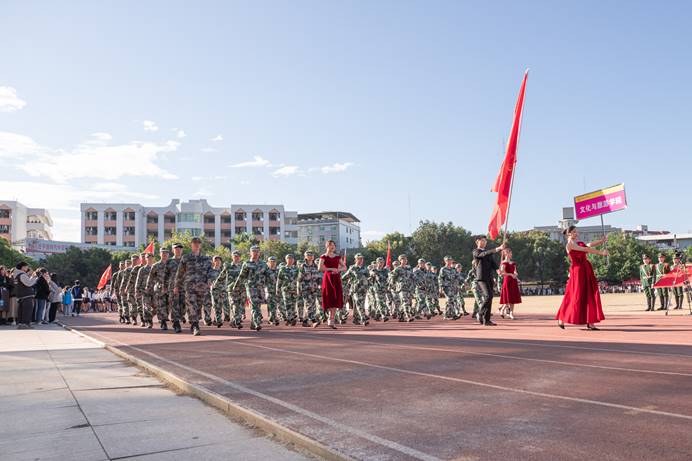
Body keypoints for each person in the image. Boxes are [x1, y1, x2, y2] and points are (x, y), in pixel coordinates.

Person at [555, 226, 608, 330]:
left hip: (586, 270)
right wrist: (601, 253)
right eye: (574, 232)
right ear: (569, 234)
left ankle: (590, 321)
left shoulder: (578, 243)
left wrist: (601, 241)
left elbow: (589, 245)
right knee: (575, 296)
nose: (576, 233)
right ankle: (561, 317)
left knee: (589, 295)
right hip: (577, 272)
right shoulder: (569, 245)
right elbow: (585, 249)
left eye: (576, 232)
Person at [174, 237, 212, 336]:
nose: (196, 245)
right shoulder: (186, 258)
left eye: (198, 243)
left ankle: (194, 323)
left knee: (198, 306)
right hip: (189, 286)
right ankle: (195, 325)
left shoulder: (206, 259)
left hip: (202, 287)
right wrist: (176, 286)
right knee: (191, 305)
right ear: (191, 245)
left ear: (200, 245)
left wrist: (210, 279)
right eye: (194, 243)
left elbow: (210, 271)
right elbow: (180, 273)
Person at [232, 245, 270, 331]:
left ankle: (253, 324)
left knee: (258, 305)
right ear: (250, 253)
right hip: (251, 287)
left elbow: (269, 275)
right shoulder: (247, 264)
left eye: (257, 251)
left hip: (260, 288)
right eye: (253, 251)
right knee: (254, 304)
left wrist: (272, 285)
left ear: (259, 253)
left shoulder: (263, 264)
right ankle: (257, 323)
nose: (255, 253)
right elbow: (241, 276)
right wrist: (235, 287)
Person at [472, 236, 505, 326]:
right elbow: (483, 254)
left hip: (489, 277)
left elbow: (493, 263)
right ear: (477, 242)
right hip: (481, 278)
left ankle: (486, 320)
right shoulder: (476, 251)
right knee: (488, 296)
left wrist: (498, 270)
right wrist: (497, 249)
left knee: (490, 297)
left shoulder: (488, 253)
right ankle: (480, 313)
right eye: (482, 240)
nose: (484, 242)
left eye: (485, 241)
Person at [318, 240, 345, 329]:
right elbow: (320, 268)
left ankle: (331, 319)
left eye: (333, 245)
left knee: (335, 298)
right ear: (327, 246)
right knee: (328, 297)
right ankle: (327, 315)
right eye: (330, 245)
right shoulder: (323, 257)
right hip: (328, 279)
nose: (332, 247)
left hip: (336, 278)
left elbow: (345, 267)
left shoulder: (338, 257)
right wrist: (331, 268)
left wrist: (338, 270)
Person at [343, 253, 371, 325]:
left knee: (358, 304)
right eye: (359, 258)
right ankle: (363, 319)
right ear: (355, 259)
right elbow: (344, 277)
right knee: (359, 304)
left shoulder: (365, 268)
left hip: (363, 289)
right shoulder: (352, 268)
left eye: (361, 258)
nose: (360, 260)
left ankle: (355, 319)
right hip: (355, 289)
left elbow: (369, 277)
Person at [499, 248, 522, 320]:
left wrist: (516, 276)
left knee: (513, 298)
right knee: (508, 298)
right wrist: (510, 274)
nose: (511, 254)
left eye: (511, 253)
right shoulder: (503, 263)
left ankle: (511, 313)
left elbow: (515, 271)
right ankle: (502, 310)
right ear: (505, 253)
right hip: (507, 281)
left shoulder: (513, 263)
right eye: (509, 253)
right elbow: (502, 273)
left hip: (513, 281)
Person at [277, 253, 299, 326]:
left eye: (291, 259)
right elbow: (279, 280)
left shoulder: (296, 269)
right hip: (286, 290)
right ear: (286, 260)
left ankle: (291, 318)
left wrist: (299, 289)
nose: (290, 260)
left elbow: (299, 279)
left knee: (293, 305)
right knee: (287, 305)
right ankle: (290, 319)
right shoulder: (282, 269)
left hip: (294, 289)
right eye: (288, 259)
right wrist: (278, 289)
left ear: (293, 260)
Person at [14, 262, 39, 329]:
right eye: (26, 266)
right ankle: (25, 324)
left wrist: (29, 276)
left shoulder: (17, 275)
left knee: (21, 310)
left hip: (21, 296)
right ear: (23, 267)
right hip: (26, 295)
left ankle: (21, 323)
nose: (27, 268)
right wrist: (34, 277)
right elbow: (28, 283)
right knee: (27, 310)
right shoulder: (22, 275)